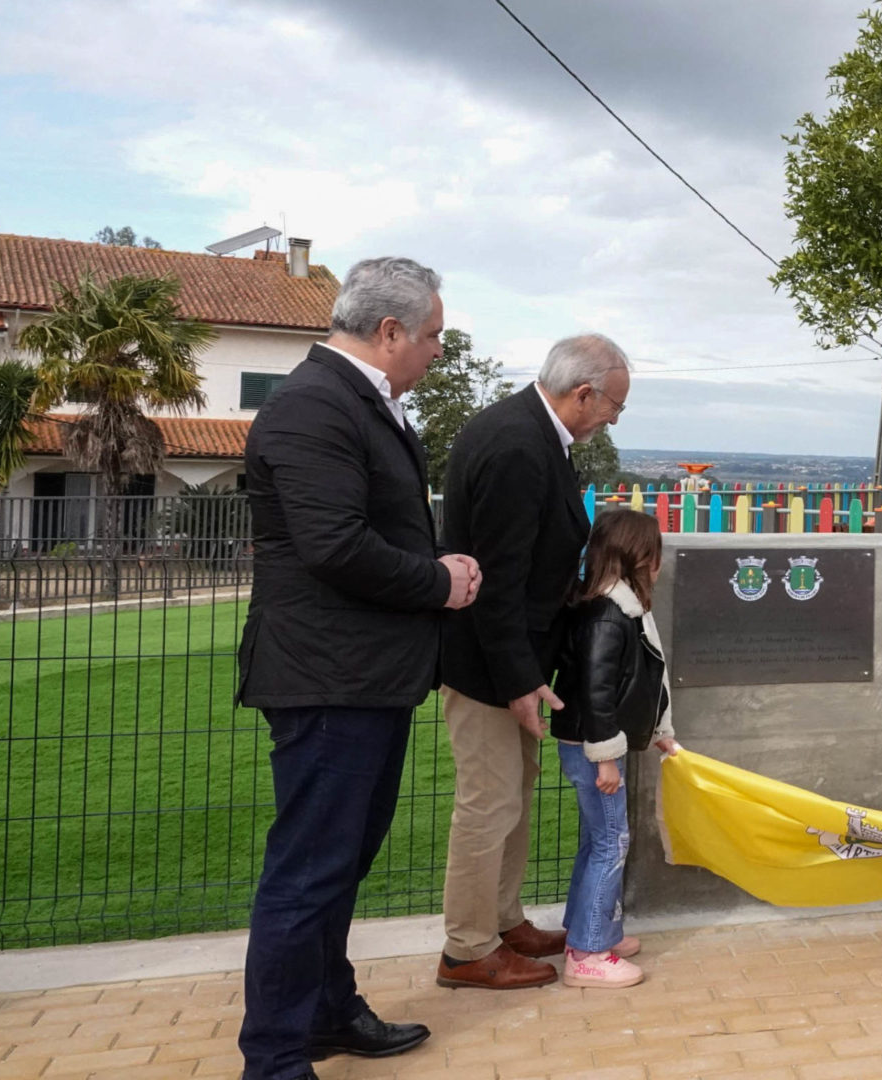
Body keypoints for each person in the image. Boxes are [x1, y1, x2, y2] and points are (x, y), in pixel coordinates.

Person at [237, 257, 475, 1080]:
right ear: (390, 331)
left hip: (364, 675)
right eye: (434, 335)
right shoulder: (314, 405)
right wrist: (439, 582)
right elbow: (333, 545)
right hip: (327, 677)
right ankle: (274, 1059)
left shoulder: (359, 402)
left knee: (337, 866)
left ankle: (325, 1013)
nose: (439, 350)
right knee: (308, 873)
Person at [436, 334, 629, 990]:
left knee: (511, 797)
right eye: (613, 407)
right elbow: (499, 579)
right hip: (489, 666)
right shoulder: (518, 445)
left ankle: (501, 921)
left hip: (508, 661)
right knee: (489, 803)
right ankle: (467, 949)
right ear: (584, 393)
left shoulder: (534, 434)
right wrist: (521, 681)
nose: (612, 420)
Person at [549, 509, 679, 989]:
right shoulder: (609, 615)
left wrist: (659, 729)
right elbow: (597, 691)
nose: (659, 563)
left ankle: (589, 930)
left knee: (598, 839)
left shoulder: (618, 608)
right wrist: (604, 757)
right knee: (611, 842)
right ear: (636, 557)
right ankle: (588, 953)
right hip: (595, 746)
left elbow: (636, 682)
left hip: (597, 742)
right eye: (654, 553)